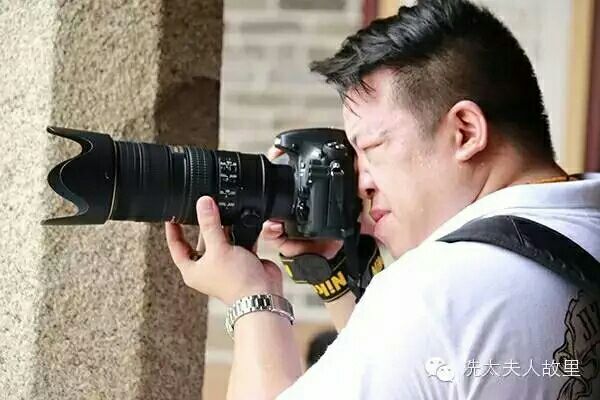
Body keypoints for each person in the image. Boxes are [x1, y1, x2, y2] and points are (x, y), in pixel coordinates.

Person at [165, 0, 600, 398]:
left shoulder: (435, 291)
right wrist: (336, 275)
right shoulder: (584, 225)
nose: (361, 182)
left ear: (465, 132)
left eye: (372, 148)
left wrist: (251, 296)